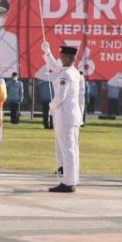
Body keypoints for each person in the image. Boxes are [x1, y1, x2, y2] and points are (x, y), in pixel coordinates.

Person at [42, 42, 83, 192]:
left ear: (67, 58)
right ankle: (73, 179)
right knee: (73, 148)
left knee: (67, 149)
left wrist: (51, 106)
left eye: (62, 56)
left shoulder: (65, 74)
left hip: (65, 114)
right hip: (72, 115)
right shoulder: (74, 72)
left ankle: (68, 182)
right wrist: (47, 52)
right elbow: (54, 65)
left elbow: (60, 96)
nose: (60, 59)